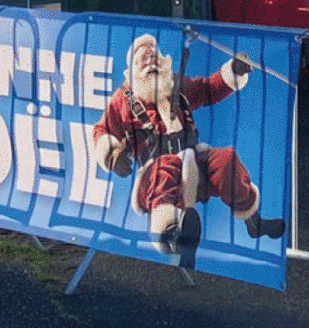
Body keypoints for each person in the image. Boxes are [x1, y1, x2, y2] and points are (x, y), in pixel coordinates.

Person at [88, 32, 284, 269]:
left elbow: (208, 89)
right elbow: (102, 130)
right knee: (163, 172)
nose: (150, 63)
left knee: (225, 160)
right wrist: (113, 155)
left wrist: (234, 70)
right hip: (155, 175)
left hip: (194, 161)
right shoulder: (123, 101)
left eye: (154, 57)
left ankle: (254, 223)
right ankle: (176, 241)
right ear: (132, 70)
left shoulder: (177, 85)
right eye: (143, 59)